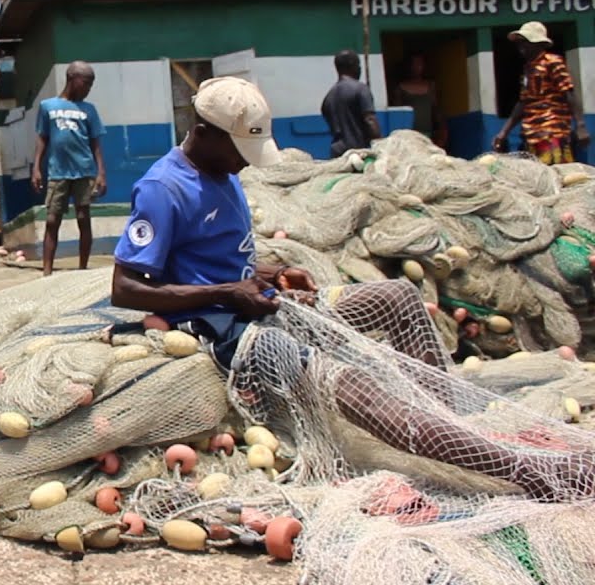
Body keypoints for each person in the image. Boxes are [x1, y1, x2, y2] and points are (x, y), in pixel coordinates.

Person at [111, 75, 591, 502]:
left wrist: (270, 273)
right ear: (204, 133)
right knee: (351, 385)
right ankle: (525, 470)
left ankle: (448, 419)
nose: (244, 162)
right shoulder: (163, 188)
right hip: (220, 330)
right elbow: (127, 288)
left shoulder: (225, 172)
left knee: (399, 298)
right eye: (238, 150)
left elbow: (217, 256)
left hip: (256, 302)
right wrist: (226, 294)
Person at [32, 61, 107, 276]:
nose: (88, 89)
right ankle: (47, 271)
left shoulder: (89, 110)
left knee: (83, 218)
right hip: (58, 172)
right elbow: (42, 138)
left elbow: (95, 144)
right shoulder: (48, 106)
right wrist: (36, 167)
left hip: (84, 171)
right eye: (86, 83)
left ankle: (82, 268)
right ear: (73, 79)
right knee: (52, 219)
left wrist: (101, 173)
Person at [493, 21, 588, 164]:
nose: (521, 46)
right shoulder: (528, 69)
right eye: (519, 42)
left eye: (525, 42)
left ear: (539, 44)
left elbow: (569, 93)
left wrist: (580, 126)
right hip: (531, 133)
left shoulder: (552, 62)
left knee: (556, 173)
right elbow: (523, 103)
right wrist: (503, 132)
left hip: (552, 131)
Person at [322, 49, 381, 157]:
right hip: (358, 153)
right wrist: (381, 145)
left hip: (337, 154)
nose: (360, 68)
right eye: (358, 65)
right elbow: (370, 120)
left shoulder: (328, 98)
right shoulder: (361, 89)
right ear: (352, 66)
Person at [393, 52, 442, 146]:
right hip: (409, 135)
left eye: (419, 64)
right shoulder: (400, 88)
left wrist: (442, 131)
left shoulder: (430, 86)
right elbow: (398, 112)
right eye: (413, 64)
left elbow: (436, 109)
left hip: (428, 133)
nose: (416, 67)